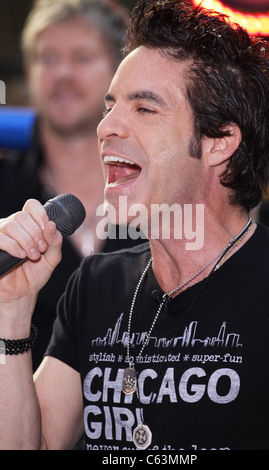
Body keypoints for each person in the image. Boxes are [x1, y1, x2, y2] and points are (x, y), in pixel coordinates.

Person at [0, 0, 269, 451]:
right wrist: (12, 311)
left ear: (220, 141)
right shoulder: (95, 285)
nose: (106, 127)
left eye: (144, 109)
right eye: (111, 106)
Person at [0, 0, 142, 372]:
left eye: (82, 57)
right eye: (47, 58)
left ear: (119, 72)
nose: (62, 73)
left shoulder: (164, 193)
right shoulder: (4, 188)